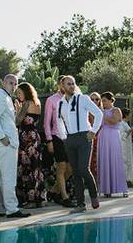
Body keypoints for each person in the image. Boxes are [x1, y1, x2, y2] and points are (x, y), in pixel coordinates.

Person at [0, 74, 29, 219]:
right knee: (8, 177)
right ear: (3, 82)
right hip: (4, 145)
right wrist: (3, 138)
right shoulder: (1, 97)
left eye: (15, 84)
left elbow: (7, 120)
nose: (13, 86)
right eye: (10, 83)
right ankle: (12, 209)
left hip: (2, 145)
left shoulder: (6, 97)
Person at [57, 75, 104, 212]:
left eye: (73, 83)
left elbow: (98, 114)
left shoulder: (83, 98)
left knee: (83, 169)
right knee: (75, 172)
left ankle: (94, 195)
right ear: (62, 86)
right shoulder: (60, 103)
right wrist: (63, 136)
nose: (71, 86)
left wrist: (93, 131)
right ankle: (80, 204)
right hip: (70, 139)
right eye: (68, 84)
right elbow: (58, 120)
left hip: (84, 137)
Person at [14, 82, 44, 208]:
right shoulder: (37, 103)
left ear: (25, 92)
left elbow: (17, 121)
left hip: (26, 139)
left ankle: (29, 200)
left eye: (19, 93)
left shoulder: (26, 104)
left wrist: (18, 110)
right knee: (35, 167)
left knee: (27, 167)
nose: (18, 95)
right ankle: (38, 198)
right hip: (35, 137)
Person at [43, 76, 72, 205]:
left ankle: (53, 191)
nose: (66, 85)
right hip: (57, 137)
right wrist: (49, 140)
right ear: (59, 84)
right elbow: (46, 122)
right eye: (64, 83)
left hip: (71, 137)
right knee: (61, 167)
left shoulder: (73, 98)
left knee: (70, 169)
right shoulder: (51, 100)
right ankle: (65, 197)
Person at [96, 92, 129, 198]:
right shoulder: (101, 111)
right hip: (103, 137)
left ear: (111, 100)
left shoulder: (116, 110)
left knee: (115, 160)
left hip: (113, 136)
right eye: (102, 101)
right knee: (105, 161)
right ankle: (107, 189)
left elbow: (114, 121)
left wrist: (103, 115)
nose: (103, 103)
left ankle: (121, 188)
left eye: (105, 100)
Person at [118, 107, 133, 188]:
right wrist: (130, 130)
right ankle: (124, 180)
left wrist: (132, 131)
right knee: (124, 163)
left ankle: (129, 180)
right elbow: (122, 135)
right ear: (126, 115)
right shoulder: (121, 124)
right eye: (130, 114)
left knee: (128, 163)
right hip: (123, 146)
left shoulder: (125, 124)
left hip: (128, 146)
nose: (131, 116)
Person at [89, 92, 102, 181]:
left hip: (101, 138)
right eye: (92, 99)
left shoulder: (102, 112)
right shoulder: (85, 111)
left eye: (97, 99)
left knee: (100, 159)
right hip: (89, 137)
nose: (94, 101)